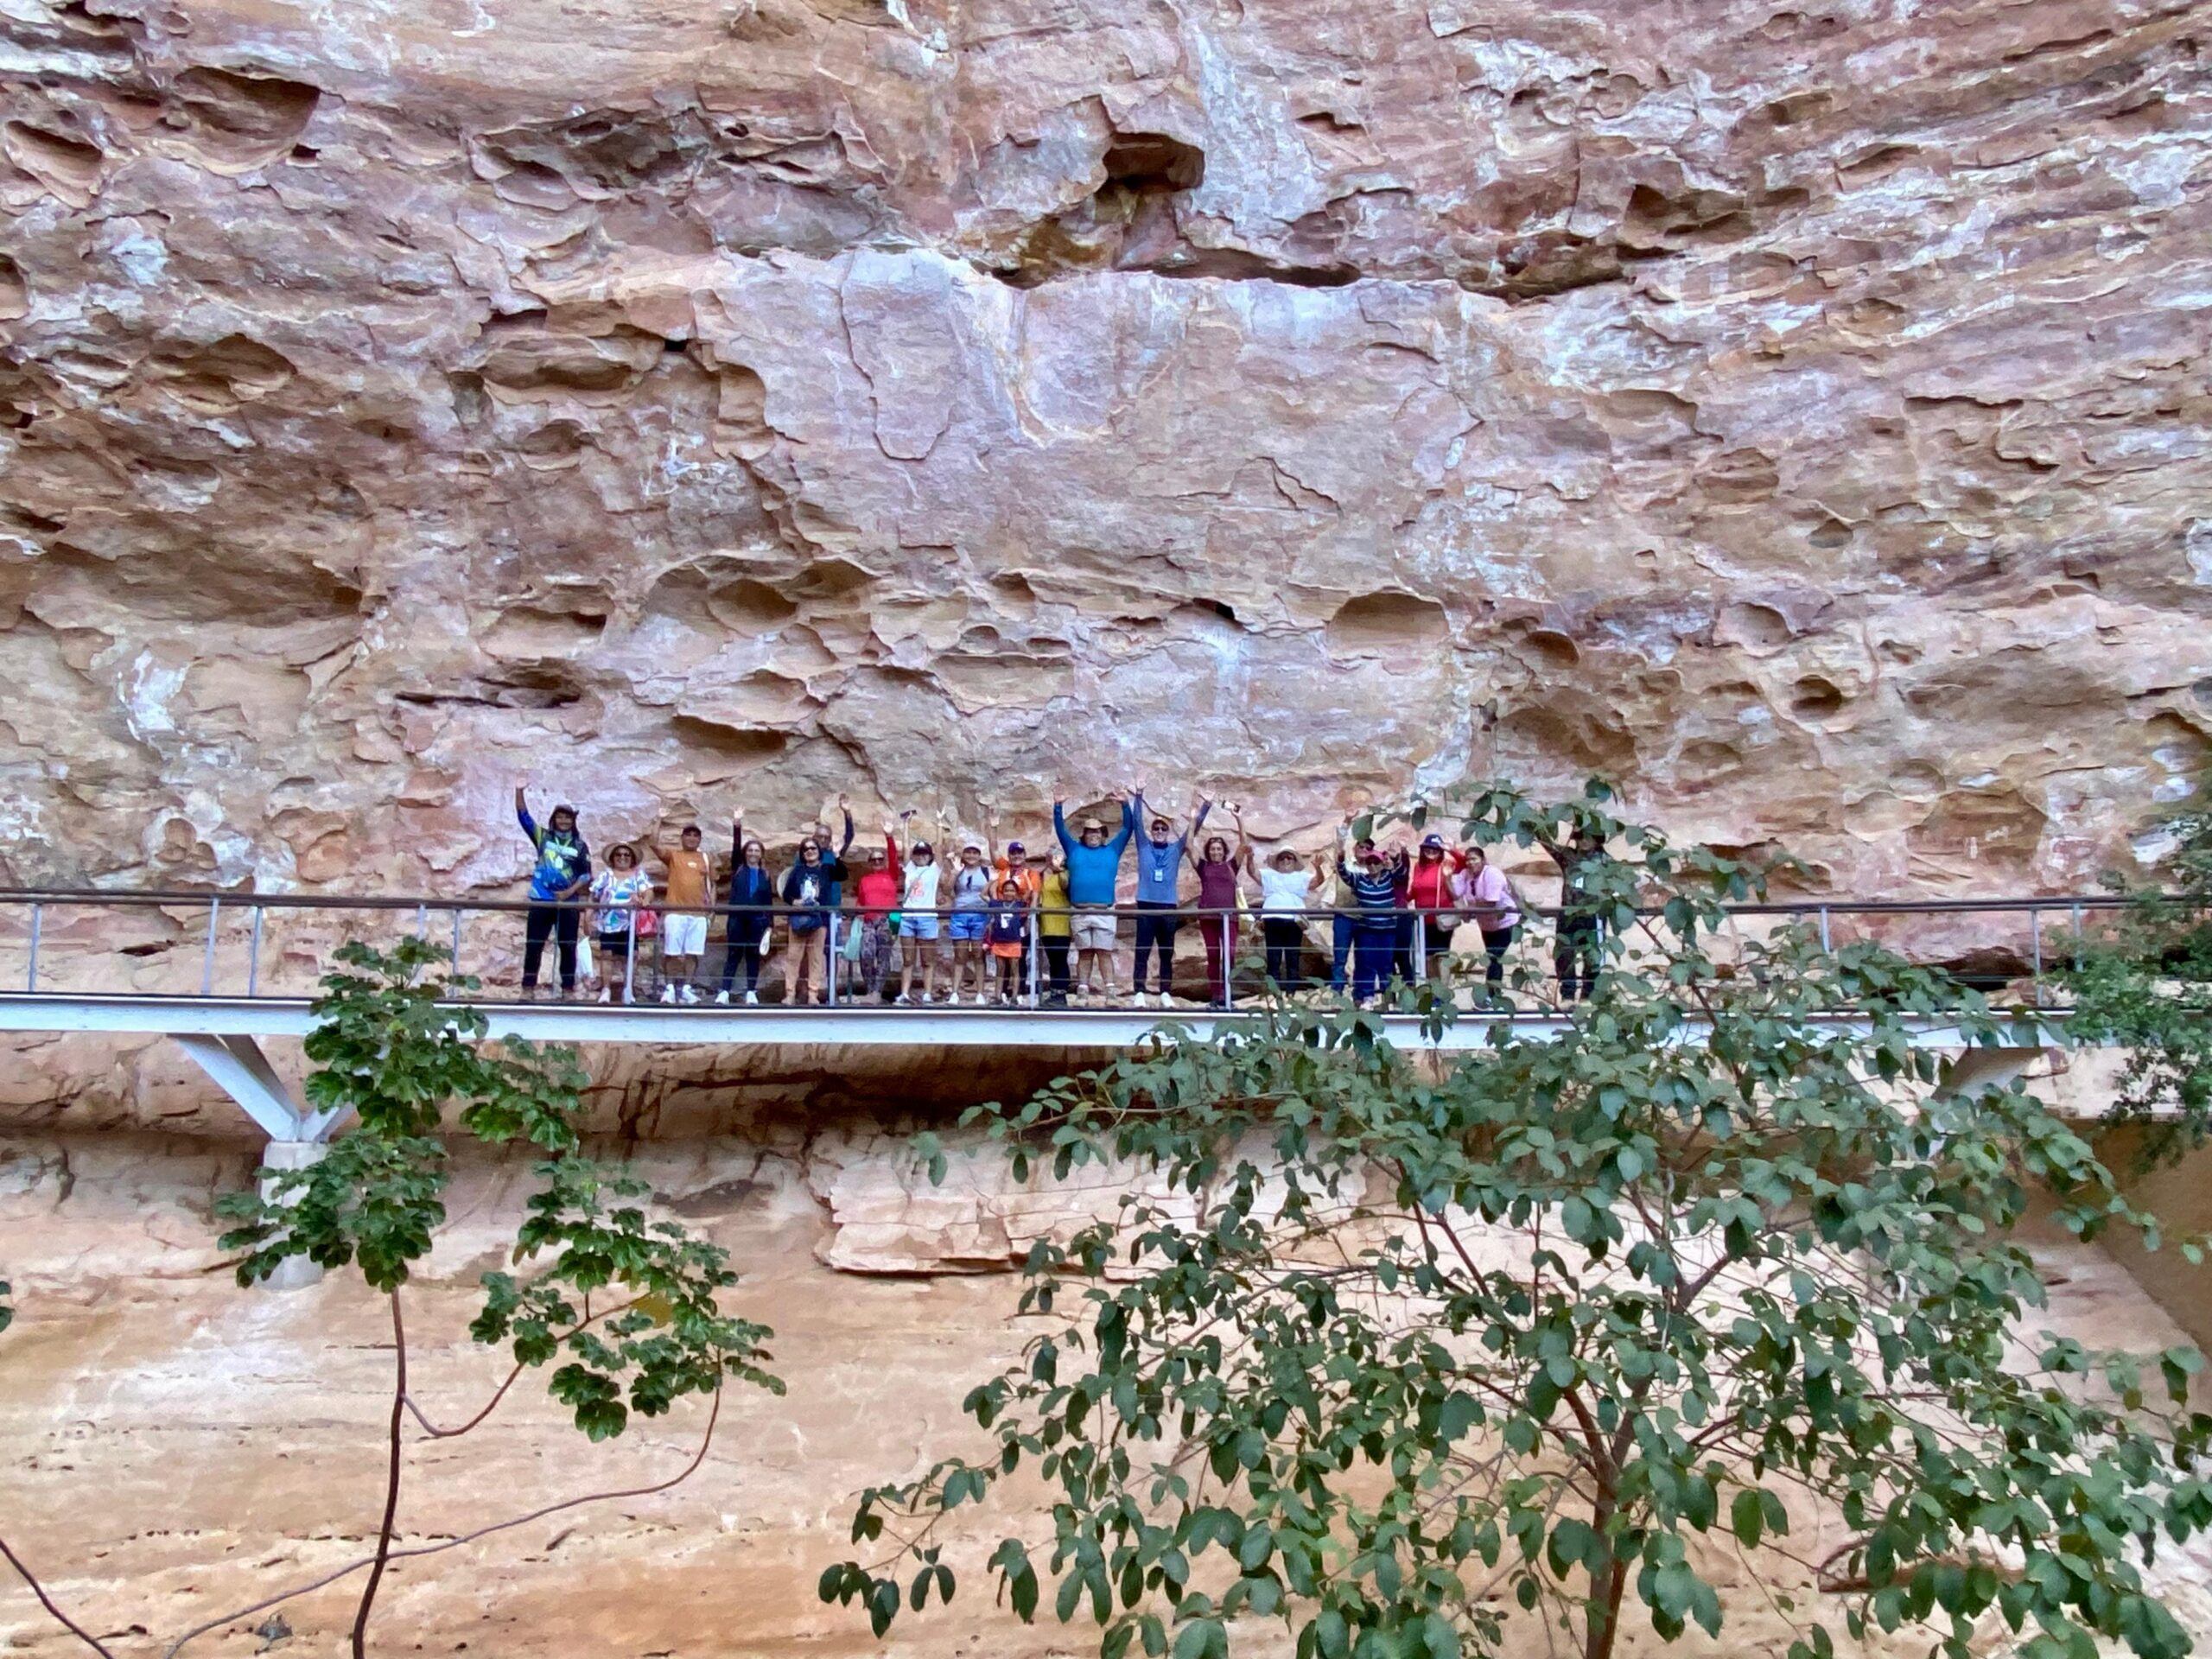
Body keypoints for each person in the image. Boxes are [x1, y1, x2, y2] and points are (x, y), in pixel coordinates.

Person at [1131, 786, 1210, 1007]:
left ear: (1167, 831)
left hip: (1167, 906)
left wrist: (1206, 806)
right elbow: (1137, 823)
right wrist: (1139, 794)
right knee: (1142, 950)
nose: (1159, 831)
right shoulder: (1144, 846)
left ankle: (1165, 991)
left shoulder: (1175, 849)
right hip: (1146, 904)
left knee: (1167, 951)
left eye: (1163, 828)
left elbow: (1193, 830)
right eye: (1156, 828)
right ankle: (1139, 991)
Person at [1054, 791, 1133, 1002]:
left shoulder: (1112, 850)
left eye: (1097, 831)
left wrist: (1126, 805)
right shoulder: (1074, 849)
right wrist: (1058, 806)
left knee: (1104, 951)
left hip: (1104, 910)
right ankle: (1083, 991)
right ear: (1084, 834)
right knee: (1085, 952)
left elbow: (1127, 829)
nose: (1093, 835)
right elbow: (1060, 830)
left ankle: (1110, 992)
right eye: (1090, 832)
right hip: (1080, 910)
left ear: (1102, 834)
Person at [515, 785, 591, 999]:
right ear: (554, 819)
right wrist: (519, 790)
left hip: (568, 901)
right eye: (560, 817)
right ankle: (527, 988)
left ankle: (568, 989)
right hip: (541, 898)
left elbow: (586, 874)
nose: (564, 821)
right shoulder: (543, 837)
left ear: (573, 821)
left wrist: (569, 892)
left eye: (568, 817)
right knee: (534, 945)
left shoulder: (580, 845)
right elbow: (523, 817)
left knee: (568, 946)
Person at [1533, 820, 1611, 1002]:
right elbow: (1547, 843)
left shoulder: (1606, 861)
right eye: (1580, 837)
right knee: (1564, 955)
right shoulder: (1568, 856)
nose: (1583, 841)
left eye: (1588, 837)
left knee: (1593, 956)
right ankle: (1567, 995)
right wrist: (1539, 820)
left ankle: (1588, 997)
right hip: (1568, 913)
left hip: (1593, 915)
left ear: (1597, 839)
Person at [1338, 814, 1402, 1005]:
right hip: (1367, 928)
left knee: (1386, 964)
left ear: (1382, 864)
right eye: (1370, 863)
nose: (1373, 866)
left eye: (1376, 862)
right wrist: (1340, 855)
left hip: (1387, 929)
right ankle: (1367, 996)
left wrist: (1397, 857)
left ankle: (1388, 999)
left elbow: (1401, 873)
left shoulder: (1389, 877)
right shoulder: (1360, 880)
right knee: (1366, 963)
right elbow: (1343, 871)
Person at [779, 830, 848, 1006]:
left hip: (819, 920)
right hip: (799, 919)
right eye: (806, 849)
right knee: (794, 957)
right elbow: (786, 894)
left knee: (816, 958)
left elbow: (842, 875)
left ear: (819, 851)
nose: (810, 851)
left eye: (813, 848)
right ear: (802, 854)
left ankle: (813, 994)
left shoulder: (826, 869)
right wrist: (795, 902)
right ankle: (790, 994)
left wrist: (837, 855)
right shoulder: (797, 871)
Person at [650, 822, 713, 1004]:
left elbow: (712, 884)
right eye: (688, 835)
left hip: (699, 913)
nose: (692, 838)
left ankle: (686, 988)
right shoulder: (674, 856)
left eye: (695, 835)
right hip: (675, 911)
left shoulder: (705, 858)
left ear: (700, 839)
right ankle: (670, 988)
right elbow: (653, 844)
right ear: (682, 838)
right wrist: (659, 820)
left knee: (693, 953)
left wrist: (711, 910)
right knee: (672, 952)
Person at [716, 809, 775, 1005]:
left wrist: (770, 924)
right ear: (745, 853)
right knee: (734, 953)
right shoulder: (738, 868)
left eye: (757, 851)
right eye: (750, 850)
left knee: (753, 955)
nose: (753, 853)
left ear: (761, 854)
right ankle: (725, 991)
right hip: (737, 918)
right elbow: (735, 848)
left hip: (758, 919)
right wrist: (737, 824)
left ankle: (751, 991)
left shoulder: (765, 874)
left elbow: (768, 900)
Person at [588, 842, 656, 1003]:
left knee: (631, 955)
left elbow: (648, 891)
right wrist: (587, 918)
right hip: (608, 922)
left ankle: (628, 989)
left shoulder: (638, 874)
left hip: (629, 923)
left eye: (626, 855)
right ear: (613, 858)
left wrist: (645, 900)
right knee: (607, 955)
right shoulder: (606, 875)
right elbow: (593, 896)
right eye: (618, 855)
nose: (622, 857)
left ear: (632, 858)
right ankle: (606, 990)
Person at [1453, 844, 1522, 1003]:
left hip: (1506, 922)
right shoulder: (1466, 874)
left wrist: (1469, 908)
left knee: (1494, 958)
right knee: (1493, 957)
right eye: (1468, 860)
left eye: (1474, 859)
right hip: (1487, 925)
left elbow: (1491, 901)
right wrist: (1447, 876)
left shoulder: (1492, 873)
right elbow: (1455, 893)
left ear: (1483, 860)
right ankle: (1494, 995)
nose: (1470, 863)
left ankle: (1492, 996)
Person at [1189, 809, 1243, 1006]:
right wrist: (1193, 821)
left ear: (1224, 851)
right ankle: (1216, 995)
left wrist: (1239, 819)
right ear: (1208, 851)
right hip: (1208, 916)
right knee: (1213, 955)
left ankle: (1228, 993)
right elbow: (1188, 846)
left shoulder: (1232, 866)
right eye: (1212, 849)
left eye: (1219, 849)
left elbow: (1244, 844)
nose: (1216, 852)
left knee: (1229, 955)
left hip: (1229, 917)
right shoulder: (1203, 867)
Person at [850, 817, 903, 1002]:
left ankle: (877, 993)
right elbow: (861, 901)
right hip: (869, 920)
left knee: (884, 955)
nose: (878, 862)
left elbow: (894, 857)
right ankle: (870, 990)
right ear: (869, 863)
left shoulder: (891, 875)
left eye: (880, 859)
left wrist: (889, 836)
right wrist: (858, 914)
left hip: (889, 919)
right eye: (874, 860)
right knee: (866, 954)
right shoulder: (864, 880)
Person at [1406, 831, 1466, 986]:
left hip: (1442, 918)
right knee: (1428, 957)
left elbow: (1464, 864)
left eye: (1435, 849)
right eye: (1428, 849)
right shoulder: (1418, 867)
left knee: (1442, 955)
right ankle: (1434, 990)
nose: (1431, 852)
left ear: (1440, 851)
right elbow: (1415, 890)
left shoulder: (1446, 865)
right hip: (1423, 919)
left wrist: (1451, 850)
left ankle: (1443, 990)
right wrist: (1400, 899)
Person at [944, 827, 996, 1005]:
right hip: (960, 914)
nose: (972, 855)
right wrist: (954, 873)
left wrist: (992, 918)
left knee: (978, 955)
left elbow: (993, 894)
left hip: (980, 915)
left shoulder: (986, 871)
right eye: (968, 852)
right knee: (960, 955)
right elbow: (947, 890)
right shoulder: (958, 869)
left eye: (975, 852)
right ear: (963, 853)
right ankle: (955, 992)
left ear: (979, 855)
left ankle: (980, 992)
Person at [1256, 846, 1316, 993]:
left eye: (1289, 857)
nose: (1285, 860)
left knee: (1293, 957)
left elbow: (1317, 882)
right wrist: (1250, 858)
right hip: (1272, 918)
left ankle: (1291, 993)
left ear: (1294, 861)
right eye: (1282, 857)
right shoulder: (1269, 875)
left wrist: (1319, 868)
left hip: (1294, 920)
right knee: (1273, 958)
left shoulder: (1302, 876)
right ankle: (1274, 993)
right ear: (1277, 861)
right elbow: (1252, 872)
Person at [896, 828, 945, 1005]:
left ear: (930, 856)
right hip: (908, 917)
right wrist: (906, 825)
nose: (921, 856)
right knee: (908, 959)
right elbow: (905, 848)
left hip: (927, 917)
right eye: (918, 853)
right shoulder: (910, 868)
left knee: (927, 960)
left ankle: (927, 993)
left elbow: (939, 848)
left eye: (924, 853)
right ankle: (904, 993)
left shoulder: (934, 870)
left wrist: (939, 824)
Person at [1035, 846, 1073, 1005]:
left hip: (1061, 921)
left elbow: (1065, 885)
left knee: (1060, 958)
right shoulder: (1041, 875)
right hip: (1046, 923)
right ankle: (1054, 992)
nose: (1052, 861)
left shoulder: (1065, 874)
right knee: (1052, 959)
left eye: (1056, 858)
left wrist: (1059, 869)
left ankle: (1061, 993)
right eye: (1049, 858)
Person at [985, 876, 1030, 1005]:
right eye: (1006, 890)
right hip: (999, 942)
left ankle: (1014, 997)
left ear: (1016, 892)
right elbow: (983, 895)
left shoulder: (1019, 905)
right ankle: (998, 997)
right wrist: (992, 881)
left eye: (1012, 890)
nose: (1009, 893)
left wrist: (1025, 876)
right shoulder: (997, 904)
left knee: (1014, 970)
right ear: (1002, 891)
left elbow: (1029, 891)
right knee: (1000, 970)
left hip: (1014, 942)